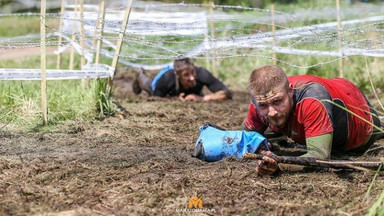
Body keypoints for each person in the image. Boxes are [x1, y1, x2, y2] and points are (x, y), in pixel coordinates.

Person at [244, 65, 383, 176]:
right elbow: (244, 137)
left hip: (360, 115)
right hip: (332, 88)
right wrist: (260, 145)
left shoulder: (312, 101)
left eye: (277, 101)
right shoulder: (259, 100)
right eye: (263, 105)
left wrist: (279, 165)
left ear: (290, 91)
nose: (272, 112)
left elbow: (320, 156)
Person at [132, 57, 232, 101]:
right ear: (177, 75)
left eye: (192, 72)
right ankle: (140, 74)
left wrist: (203, 98)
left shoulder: (201, 73)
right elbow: (155, 98)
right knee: (148, 85)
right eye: (186, 75)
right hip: (158, 86)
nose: (192, 77)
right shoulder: (167, 78)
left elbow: (226, 93)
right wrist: (173, 99)